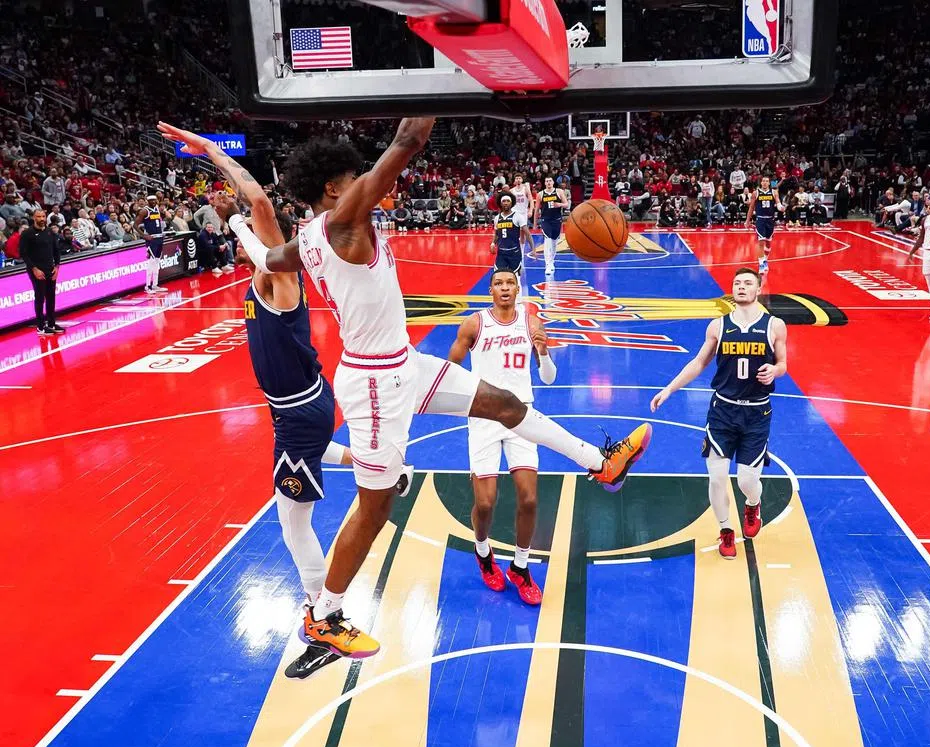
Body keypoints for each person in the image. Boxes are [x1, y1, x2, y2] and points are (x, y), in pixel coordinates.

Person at [212, 118, 652, 659]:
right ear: (334, 187)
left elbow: (267, 255)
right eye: (356, 175)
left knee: (506, 404)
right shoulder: (345, 220)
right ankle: (323, 615)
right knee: (374, 510)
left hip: (404, 364)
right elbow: (408, 141)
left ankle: (599, 464)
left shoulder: (304, 240)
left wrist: (227, 192)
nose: (368, 182)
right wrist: (450, 76)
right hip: (375, 386)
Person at [159, 122, 414, 678]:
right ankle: (386, 470)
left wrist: (219, 167)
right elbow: (253, 200)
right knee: (314, 464)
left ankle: (324, 611)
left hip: (298, 410)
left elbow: (257, 203)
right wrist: (209, 153)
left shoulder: (279, 281)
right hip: (305, 408)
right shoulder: (266, 261)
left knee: (292, 518)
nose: (253, 228)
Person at [650, 268, 787, 559]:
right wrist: (669, 389)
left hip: (757, 413)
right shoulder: (718, 326)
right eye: (737, 283)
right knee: (716, 478)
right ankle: (726, 529)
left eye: (748, 283)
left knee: (747, 482)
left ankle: (752, 505)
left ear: (758, 289)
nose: (741, 287)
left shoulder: (774, 326)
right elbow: (699, 363)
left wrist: (775, 370)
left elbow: (783, 363)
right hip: (722, 411)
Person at [448, 269, 555, 605]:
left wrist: (545, 351)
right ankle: (483, 553)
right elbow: (450, 369)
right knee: (485, 502)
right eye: (499, 283)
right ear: (490, 290)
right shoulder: (474, 324)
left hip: (521, 415)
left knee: (529, 499)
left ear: (518, 289)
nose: (505, 288)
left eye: (510, 283)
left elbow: (549, 379)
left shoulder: (532, 324)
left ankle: (520, 568)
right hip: (483, 415)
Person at [19, 209, 64, 336]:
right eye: (39, 216)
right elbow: (23, 254)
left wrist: (57, 266)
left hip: (51, 269)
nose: (42, 218)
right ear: (34, 218)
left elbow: (56, 250)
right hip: (36, 270)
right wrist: (34, 269)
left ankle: (51, 323)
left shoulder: (50, 232)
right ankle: (40, 326)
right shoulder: (27, 234)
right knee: (40, 297)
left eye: (43, 216)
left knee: (51, 297)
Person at [743, 177, 783, 275]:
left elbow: (778, 202)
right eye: (763, 181)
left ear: (769, 183)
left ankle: (765, 259)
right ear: (761, 183)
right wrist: (747, 220)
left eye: (766, 181)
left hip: (770, 220)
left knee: (768, 243)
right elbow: (751, 207)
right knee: (761, 242)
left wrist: (780, 207)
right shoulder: (755, 193)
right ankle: (761, 263)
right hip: (760, 219)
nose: (765, 183)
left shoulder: (774, 192)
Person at [491, 193, 534, 276]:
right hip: (501, 253)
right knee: (499, 277)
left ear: (511, 203)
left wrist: (533, 249)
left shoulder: (517, 216)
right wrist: (493, 243)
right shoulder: (497, 218)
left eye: (508, 201)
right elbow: (496, 234)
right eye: (504, 201)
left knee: (515, 279)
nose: (506, 203)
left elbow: (527, 234)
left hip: (514, 253)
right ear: (500, 203)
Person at [533, 177, 568, 277]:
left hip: (557, 220)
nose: (548, 182)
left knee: (554, 242)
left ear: (553, 182)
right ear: (545, 183)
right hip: (545, 220)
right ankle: (547, 264)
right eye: (546, 181)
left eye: (550, 181)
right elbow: (536, 210)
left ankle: (552, 261)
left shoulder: (559, 191)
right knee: (547, 241)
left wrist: (559, 204)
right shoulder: (540, 194)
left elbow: (566, 204)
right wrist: (535, 223)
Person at [135, 195, 168, 294]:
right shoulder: (144, 211)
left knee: (157, 262)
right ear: (148, 201)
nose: (154, 202)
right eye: (151, 200)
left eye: (155, 200)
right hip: (151, 239)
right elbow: (135, 225)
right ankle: (147, 286)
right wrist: (144, 235)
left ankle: (155, 285)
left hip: (159, 238)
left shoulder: (157, 209)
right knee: (151, 262)